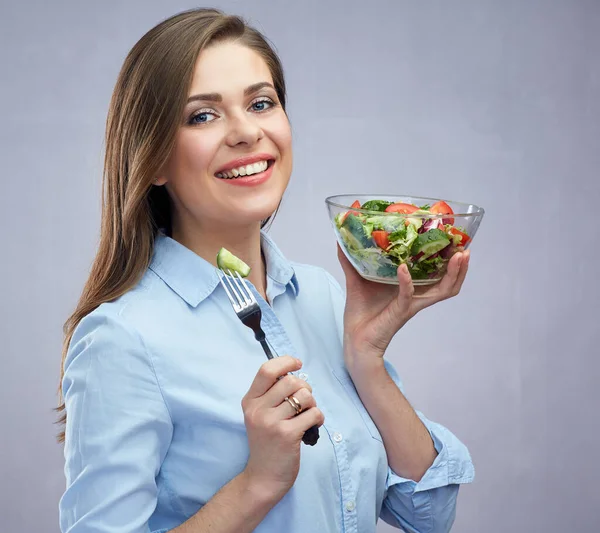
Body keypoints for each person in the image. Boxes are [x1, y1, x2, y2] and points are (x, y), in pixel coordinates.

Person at [57, 8, 474, 533]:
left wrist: (367, 362)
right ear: (154, 160)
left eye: (261, 103)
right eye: (202, 116)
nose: (247, 132)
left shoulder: (322, 297)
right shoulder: (121, 338)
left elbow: (430, 516)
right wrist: (257, 483)